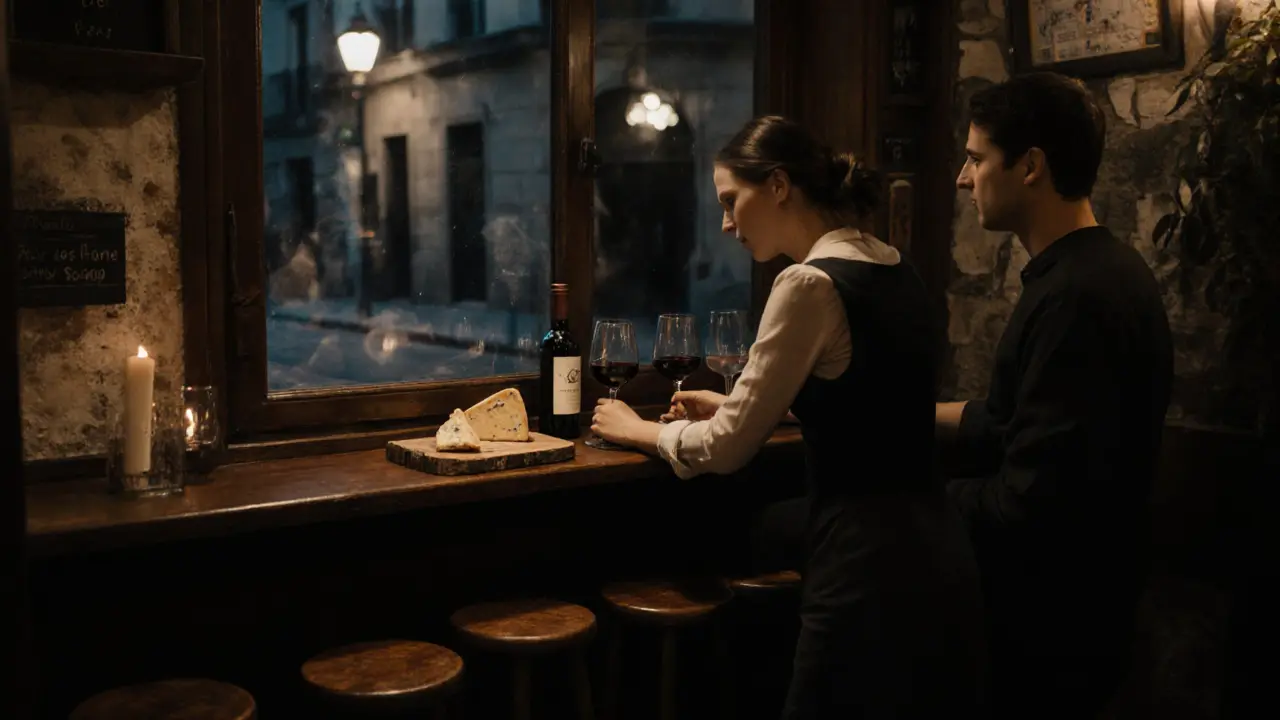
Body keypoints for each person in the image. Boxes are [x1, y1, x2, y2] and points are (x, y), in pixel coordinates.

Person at [591, 115, 988, 719]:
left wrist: (638, 429)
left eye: (731, 201)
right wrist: (733, 402)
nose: (725, 223)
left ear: (778, 185)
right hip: (938, 552)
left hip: (862, 562)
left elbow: (726, 450)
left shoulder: (807, 282)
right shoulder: (894, 266)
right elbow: (869, 406)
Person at [939, 72, 1174, 719]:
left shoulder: (1079, 299)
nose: (963, 178)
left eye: (977, 158)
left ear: (1031, 166)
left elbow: (1030, 503)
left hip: (1052, 626)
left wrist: (910, 499)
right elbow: (1018, 422)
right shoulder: (1097, 271)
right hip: (1074, 605)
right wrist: (905, 419)